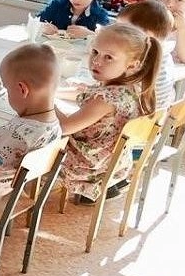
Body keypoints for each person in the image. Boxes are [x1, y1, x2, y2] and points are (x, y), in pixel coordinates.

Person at [57, 23, 159, 204]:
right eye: (95, 52)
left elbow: (63, 127)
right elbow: (85, 94)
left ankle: (9, 187)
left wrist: (44, 100)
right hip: (111, 162)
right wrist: (54, 92)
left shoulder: (106, 99)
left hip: (85, 166)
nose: (96, 61)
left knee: (34, 135)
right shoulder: (129, 88)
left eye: (109, 57)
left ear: (133, 65)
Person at [0, 45, 62, 202]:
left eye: (7, 88)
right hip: (12, 188)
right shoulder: (55, 126)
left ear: (22, 89)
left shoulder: (15, 135)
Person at [117, 0, 175, 112]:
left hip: (129, 124)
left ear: (146, 34)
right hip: (152, 125)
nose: (116, 34)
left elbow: (111, 96)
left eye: (123, 31)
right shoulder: (165, 55)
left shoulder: (140, 61)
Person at [157, 0, 185, 64]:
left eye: (179, 0)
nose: (170, 4)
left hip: (175, 74)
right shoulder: (153, 19)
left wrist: (182, 29)